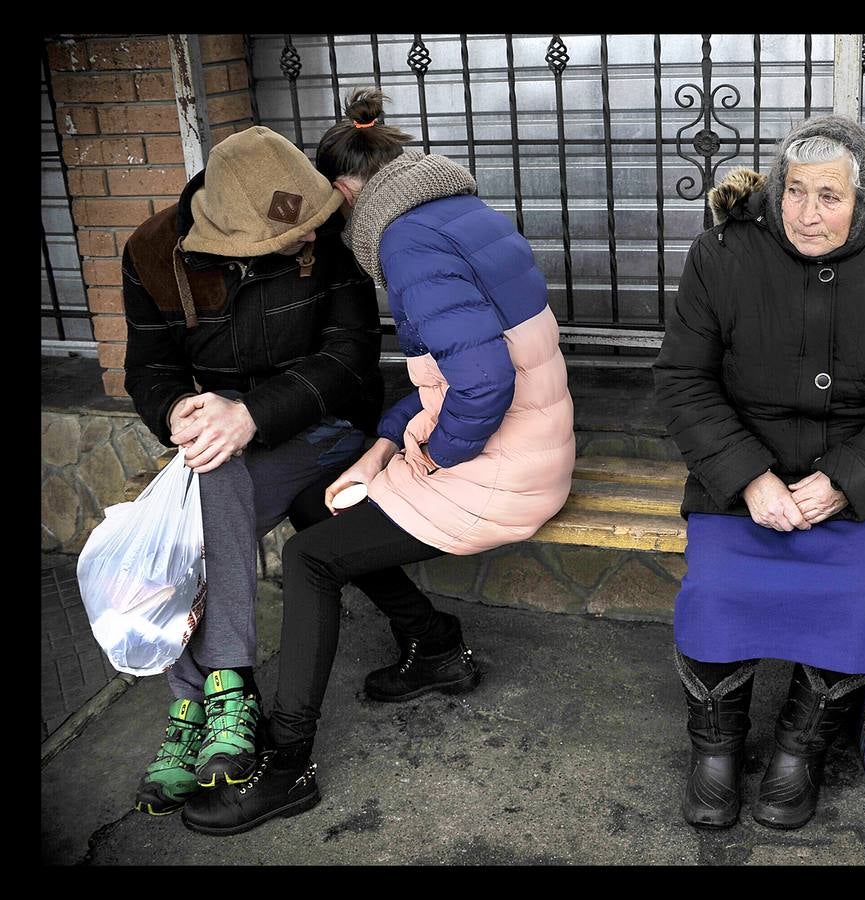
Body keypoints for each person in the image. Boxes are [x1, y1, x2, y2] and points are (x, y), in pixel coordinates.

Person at [179, 89, 576, 835]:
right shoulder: (455, 210)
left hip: (502, 467)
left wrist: (432, 454)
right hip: (530, 444)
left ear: (344, 189)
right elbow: (447, 372)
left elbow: (482, 382)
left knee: (309, 561)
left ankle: (287, 763)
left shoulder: (404, 239)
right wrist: (387, 444)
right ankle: (431, 644)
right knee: (320, 503)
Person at [652, 115, 865, 830]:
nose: (806, 213)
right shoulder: (723, 252)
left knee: (853, 599)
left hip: (858, 486)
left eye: (829, 196)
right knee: (717, 590)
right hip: (738, 478)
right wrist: (749, 478)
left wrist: (847, 481)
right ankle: (715, 748)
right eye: (795, 191)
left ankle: (801, 747)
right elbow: (682, 381)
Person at [121, 126, 389, 817]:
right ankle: (214, 706)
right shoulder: (154, 254)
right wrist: (178, 408)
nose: (311, 240)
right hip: (227, 436)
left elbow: (349, 359)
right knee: (201, 487)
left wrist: (249, 417)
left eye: (312, 229)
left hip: (328, 425)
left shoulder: (325, 232)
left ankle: (212, 697)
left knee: (212, 478)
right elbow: (150, 369)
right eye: (289, 239)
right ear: (233, 238)